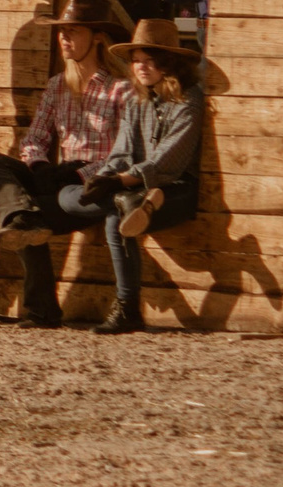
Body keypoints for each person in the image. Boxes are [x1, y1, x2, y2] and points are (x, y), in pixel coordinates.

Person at [0, 0, 129, 328]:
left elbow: (123, 153)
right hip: (55, 180)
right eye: (62, 32)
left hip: (92, 187)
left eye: (73, 31)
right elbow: (34, 140)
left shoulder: (121, 90)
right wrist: (40, 166)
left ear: (98, 36)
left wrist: (76, 173)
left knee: (29, 217)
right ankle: (22, 216)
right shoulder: (58, 85)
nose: (64, 38)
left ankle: (41, 309)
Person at [57, 19, 214, 335]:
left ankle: (128, 309)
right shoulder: (135, 97)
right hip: (129, 186)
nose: (140, 67)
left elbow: (170, 159)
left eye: (149, 60)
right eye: (136, 61)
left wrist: (121, 181)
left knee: (117, 215)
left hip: (176, 187)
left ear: (167, 63)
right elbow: (121, 152)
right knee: (67, 198)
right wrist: (103, 179)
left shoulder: (189, 99)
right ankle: (135, 204)